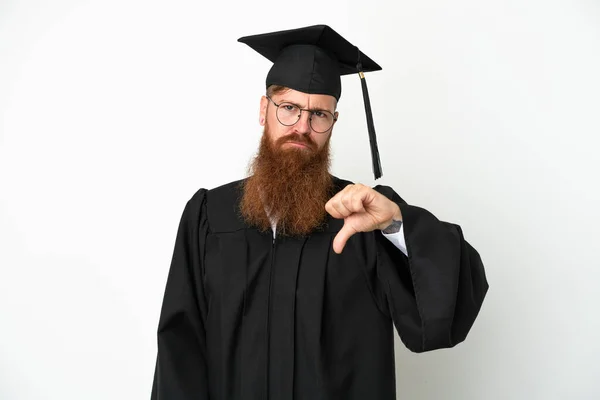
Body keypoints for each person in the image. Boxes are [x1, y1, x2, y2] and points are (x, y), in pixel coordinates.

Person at [150, 25, 488, 400]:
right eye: (289, 108)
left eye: (319, 115)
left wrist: (395, 224)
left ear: (334, 123)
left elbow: (446, 308)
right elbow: (179, 350)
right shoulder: (209, 217)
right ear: (265, 110)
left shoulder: (364, 215)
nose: (302, 128)